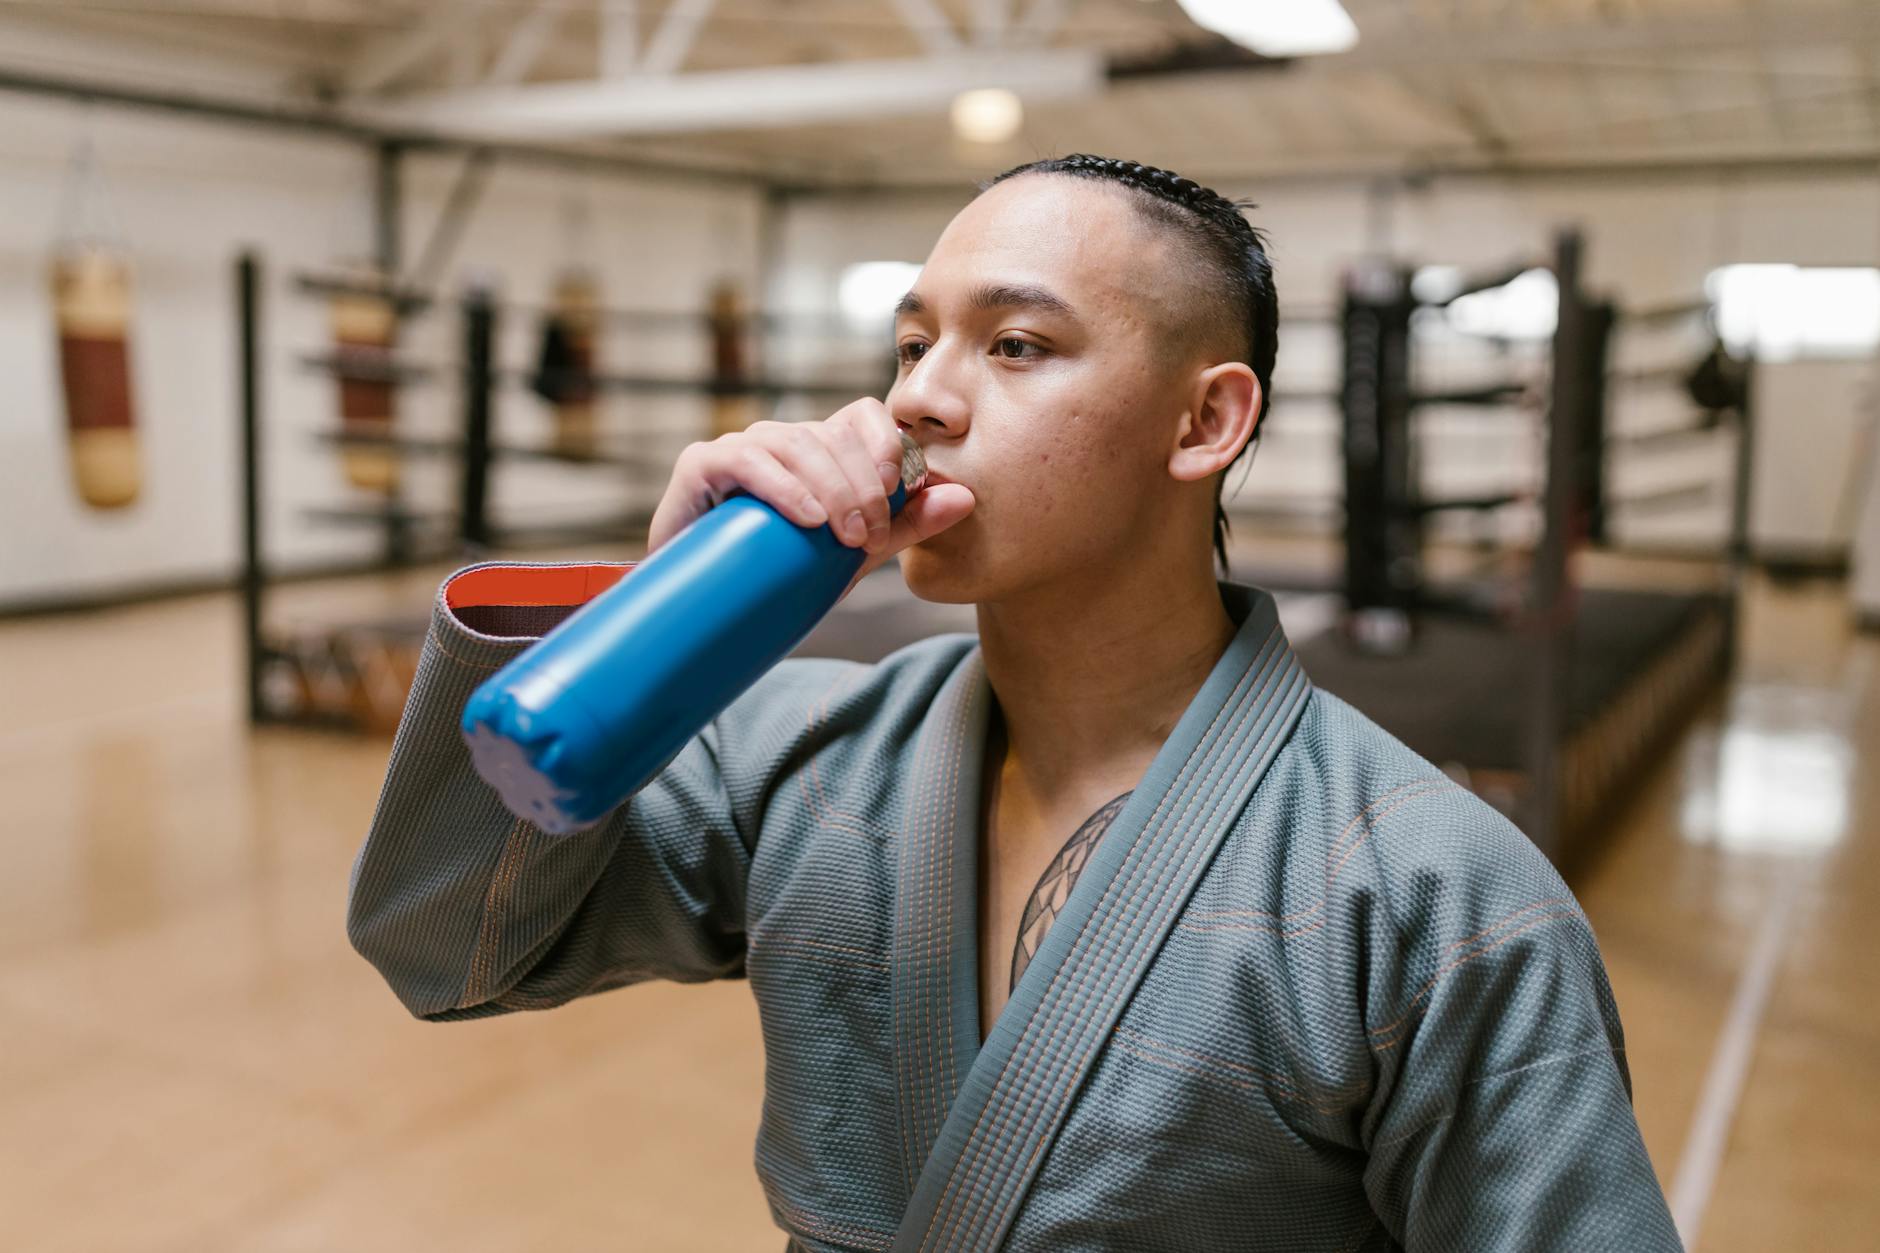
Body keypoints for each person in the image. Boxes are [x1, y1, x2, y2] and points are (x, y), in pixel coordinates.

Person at [347, 154, 1681, 1252]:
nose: (918, 398)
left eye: (1017, 344)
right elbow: (446, 953)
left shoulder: (1433, 895)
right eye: (912, 343)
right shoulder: (799, 754)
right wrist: (654, 627)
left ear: (1205, 423)